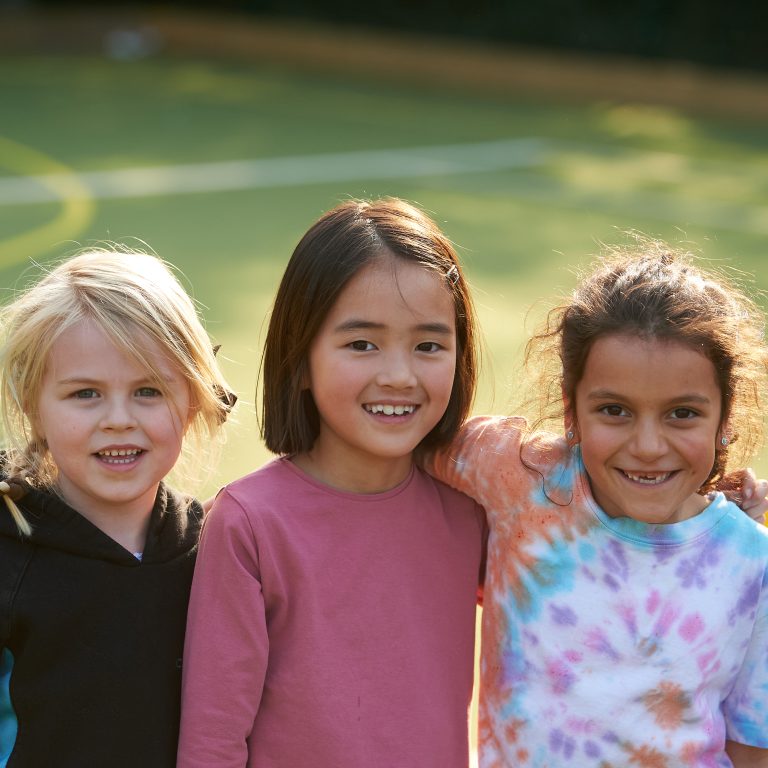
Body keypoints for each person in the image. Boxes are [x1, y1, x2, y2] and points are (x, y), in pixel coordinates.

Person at [429, 239, 768, 767]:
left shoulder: (754, 562)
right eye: (614, 410)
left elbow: (752, 745)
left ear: (724, 419)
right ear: (571, 408)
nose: (649, 445)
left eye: (683, 414)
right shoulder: (518, 476)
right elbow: (406, 438)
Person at [177, 198, 487, 768]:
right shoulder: (248, 523)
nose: (398, 376)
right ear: (299, 361)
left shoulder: (473, 513)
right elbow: (212, 739)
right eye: (361, 344)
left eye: (429, 345)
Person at [0, 248, 235, 767]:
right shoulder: (10, 550)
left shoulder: (218, 545)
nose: (119, 419)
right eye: (85, 393)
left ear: (193, 397)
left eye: (148, 391)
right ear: (31, 403)